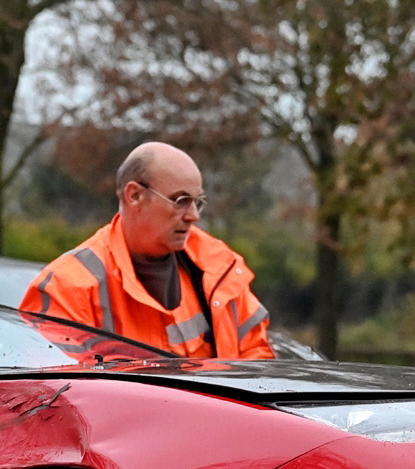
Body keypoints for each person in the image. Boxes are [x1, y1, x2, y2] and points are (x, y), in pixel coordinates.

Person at [21, 142, 274, 359]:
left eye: (198, 202)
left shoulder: (219, 268)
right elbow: (56, 396)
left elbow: (257, 362)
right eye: (181, 201)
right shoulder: (66, 289)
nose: (193, 216)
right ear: (134, 196)